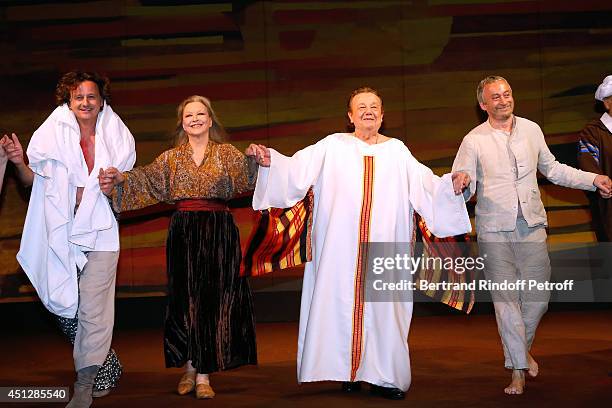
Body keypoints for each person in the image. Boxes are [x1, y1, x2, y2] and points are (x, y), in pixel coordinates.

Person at [246, 87, 472, 400]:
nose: (368, 111)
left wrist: (453, 184)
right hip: (339, 249)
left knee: (385, 311)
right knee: (338, 305)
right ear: (350, 116)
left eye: (374, 107)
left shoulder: (398, 151)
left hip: (384, 247)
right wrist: (270, 160)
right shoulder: (332, 146)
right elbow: (294, 172)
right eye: (361, 107)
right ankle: (346, 372)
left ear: (382, 115)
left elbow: (428, 187)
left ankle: (385, 377)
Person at [452, 75, 612, 395]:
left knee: (537, 299)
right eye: (495, 97)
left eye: (507, 94)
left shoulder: (531, 130)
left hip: (532, 225)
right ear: (483, 104)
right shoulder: (474, 140)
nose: (503, 100)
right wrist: (463, 180)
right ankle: (518, 371)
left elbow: (553, 169)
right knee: (507, 301)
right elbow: (463, 180)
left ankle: (519, 352)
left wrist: (593, 179)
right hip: (494, 230)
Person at [99, 95, 257, 399]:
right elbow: (144, 180)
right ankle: (188, 366)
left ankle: (204, 375)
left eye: (201, 114)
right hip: (184, 233)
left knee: (211, 301)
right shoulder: (171, 159)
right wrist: (121, 178)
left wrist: (254, 158)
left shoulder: (226, 154)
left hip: (219, 233)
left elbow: (250, 178)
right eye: (189, 116)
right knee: (185, 300)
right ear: (182, 123)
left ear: (210, 120)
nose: (195, 119)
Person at [16, 71, 136, 408]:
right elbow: (32, 179)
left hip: (100, 230)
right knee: (66, 305)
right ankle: (106, 365)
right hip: (61, 230)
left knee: (95, 311)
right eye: (78, 96)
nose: (85, 102)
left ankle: (83, 384)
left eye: (91, 96)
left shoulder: (116, 135)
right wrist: (16, 162)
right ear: (68, 101)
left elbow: (128, 179)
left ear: (101, 101)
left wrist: (119, 178)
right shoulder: (51, 134)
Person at [578, 75, 612, 241]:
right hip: (608, 208)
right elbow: (589, 165)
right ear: (607, 103)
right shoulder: (593, 132)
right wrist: (603, 187)